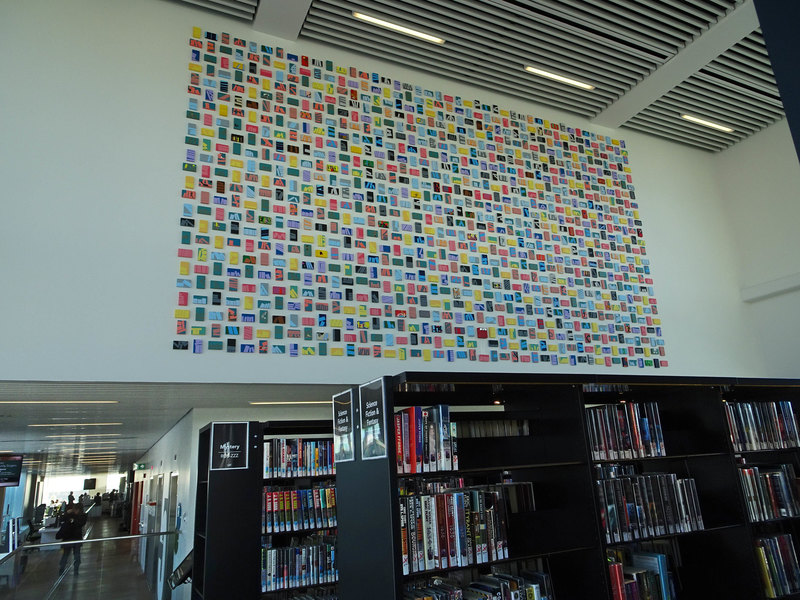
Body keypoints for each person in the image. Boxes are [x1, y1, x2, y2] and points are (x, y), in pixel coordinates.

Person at [56, 503, 86, 576]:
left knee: (71, 554)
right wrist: (67, 514)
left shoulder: (80, 516)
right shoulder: (80, 516)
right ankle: (64, 569)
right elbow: (62, 520)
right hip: (73, 538)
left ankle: (72, 569)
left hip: (71, 538)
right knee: (71, 554)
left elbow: (78, 523)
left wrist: (69, 517)